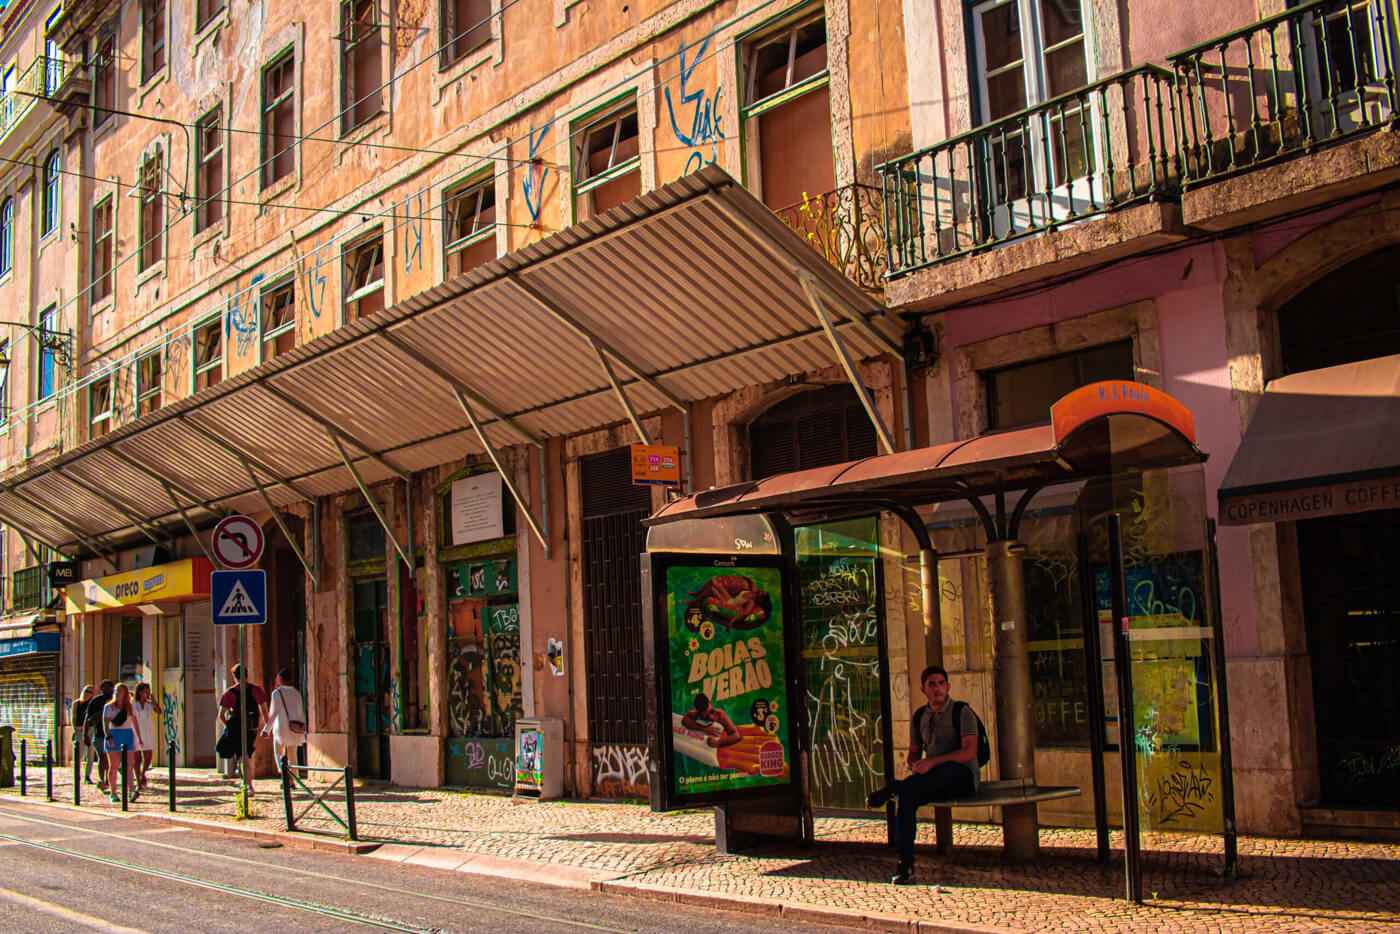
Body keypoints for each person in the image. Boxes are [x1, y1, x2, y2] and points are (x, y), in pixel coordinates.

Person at [865, 665, 982, 885]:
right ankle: (905, 864)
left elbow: (970, 752)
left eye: (941, 683)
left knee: (936, 775)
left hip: (961, 776)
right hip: (930, 779)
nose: (937, 688)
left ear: (948, 686)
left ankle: (891, 789)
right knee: (908, 798)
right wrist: (916, 764)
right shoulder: (920, 716)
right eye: (932, 684)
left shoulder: (962, 712)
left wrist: (933, 762)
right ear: (923, 688)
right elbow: (913, 753)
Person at [218, 665, 269, 795]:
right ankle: (247, 783)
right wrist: (267, 728)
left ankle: (247, 785)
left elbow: (221, 716)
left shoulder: (229, 693)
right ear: (247, 675)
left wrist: (228, 727)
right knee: (246, 754)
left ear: (234, 676)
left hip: (236, 727)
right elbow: (264, 711)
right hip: (252, 727)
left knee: (243, 755)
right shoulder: (257, 690)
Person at [103, 684, 144, 803]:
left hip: (127, 735)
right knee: (114, 766)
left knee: (129, 764)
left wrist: (139, 737)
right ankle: (113, 792)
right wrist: (108, 736)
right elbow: (105, 723)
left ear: (125, 693)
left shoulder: (130, 707)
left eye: (120, 691)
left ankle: (132, 790)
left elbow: (134, 722)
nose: (117, 692)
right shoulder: (109, 707)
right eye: (116, 690)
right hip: (114, 734)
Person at [261, 668, 307, 765]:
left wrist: (266, 729)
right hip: (295, 727)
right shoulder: (296, 693)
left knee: (278, 752)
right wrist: (302, 728)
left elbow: (274, 713)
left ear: (280, 679)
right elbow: (300, 712)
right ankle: (294, 776)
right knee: (293, 755)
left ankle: (284, 774)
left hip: (281, 727)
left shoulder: (277, 693)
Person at [85, 680, 115, 792]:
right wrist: (85, 734)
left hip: (113, 734)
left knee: (111, 759)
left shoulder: (116, 701)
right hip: (99, 734)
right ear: (101, 689)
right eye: (105, 688)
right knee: (102, 758)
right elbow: (87, 719)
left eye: (110, 687)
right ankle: (102, 780)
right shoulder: (95, 701)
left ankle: (109, 780)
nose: (108, 690)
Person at [131, 683, 158, 791]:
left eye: (149, 691)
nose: (148, 693)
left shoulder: (149, 705)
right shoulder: (133, 704)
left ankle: (143, 774)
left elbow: (159, 711)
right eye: (146, 691)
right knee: (137, 759)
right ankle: (138, 780)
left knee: (148, 758)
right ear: (140, 692)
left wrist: (154, 702)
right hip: (136, 733)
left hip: (148, 733)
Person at [72, 685, 95, 783]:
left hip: (90, 730)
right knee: (79, 754)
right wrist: (75, 730)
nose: (88, 694)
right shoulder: (76, 703)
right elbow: (73, 717)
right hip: (80, 730)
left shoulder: (92, 704)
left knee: (90, 755)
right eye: (87, 691)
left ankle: (87, 776)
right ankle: (77, 775)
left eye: (90, 692)